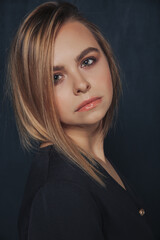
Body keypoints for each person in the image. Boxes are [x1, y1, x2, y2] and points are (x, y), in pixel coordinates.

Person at [6, 1, 155, 240]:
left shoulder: (92, 160)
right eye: (56, 77)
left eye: (87, 61)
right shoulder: (59, 194)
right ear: (33, 94)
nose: (81, 85)